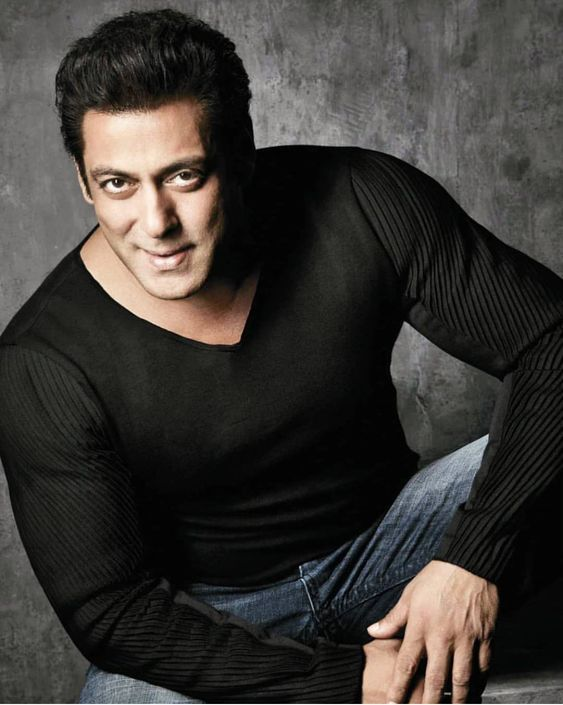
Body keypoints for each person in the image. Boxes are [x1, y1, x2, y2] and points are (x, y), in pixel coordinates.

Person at [0, 8, 561, 704]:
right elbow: (111, 609)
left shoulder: (361, 200)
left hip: (395, 549)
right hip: (212, 618)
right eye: (118, 184)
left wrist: (472, 560)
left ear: (239, 155)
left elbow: (551, 340)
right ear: (86, 183)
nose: (155, 223)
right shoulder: (42, 360)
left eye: (184, 176)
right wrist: (346, 680)